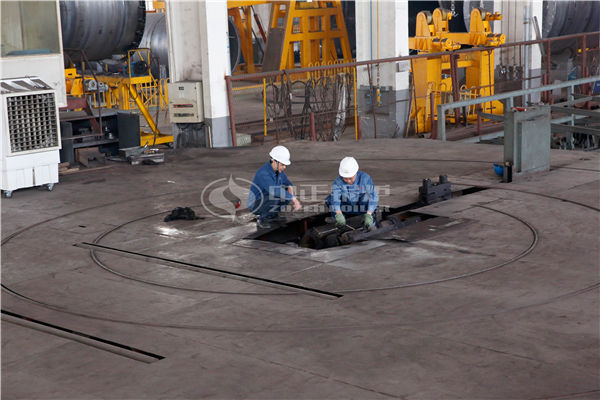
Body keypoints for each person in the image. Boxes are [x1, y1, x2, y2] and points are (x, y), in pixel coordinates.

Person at [247, 145, 302, 228]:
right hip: (255, 204)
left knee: (286, 193)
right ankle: (262, 219)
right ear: (274, 161)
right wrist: (293, 199)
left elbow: (286, 182)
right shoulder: (263, 173)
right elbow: (274, 190)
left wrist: (290, 187)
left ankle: (272, 215)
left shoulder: (278, 171)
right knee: (275, 195)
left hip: (265, 200)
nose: (284, 167)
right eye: (282, 164)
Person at [325, 156, 378, 230]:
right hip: (346, 207)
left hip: (361, 207)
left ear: (356, 172)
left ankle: (369, 221)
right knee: (329, 199)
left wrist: (369, 214)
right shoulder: (338, 182)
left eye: (350, 178)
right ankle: (339, 219)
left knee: (367, 197)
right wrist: (338, 213)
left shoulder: (365, 179)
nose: (348, 181)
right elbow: (335, 199)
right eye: (345, 178)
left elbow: (373, 197)